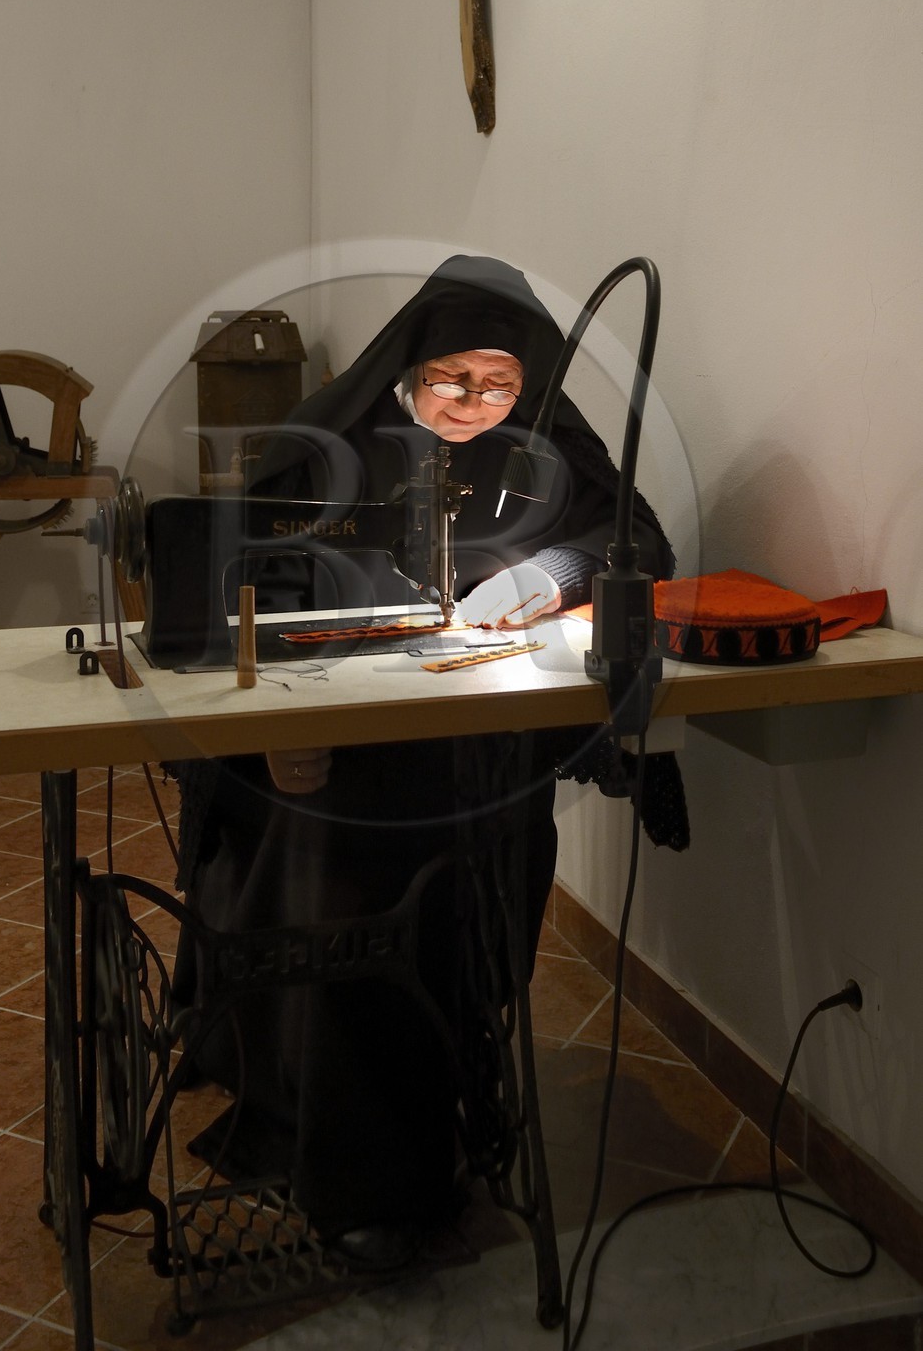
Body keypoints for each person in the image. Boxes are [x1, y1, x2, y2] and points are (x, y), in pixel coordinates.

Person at [167, 254, 673, 1268]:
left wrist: (546, 573)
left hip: (473, 742)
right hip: (332, 746)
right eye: (454, 380)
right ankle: (350, 1159)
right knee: (346, 881)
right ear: (408, 366)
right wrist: (277, 716)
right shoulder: (325, 445)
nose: (474, 404)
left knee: (478, 858)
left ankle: (447, 1076)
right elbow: (239, 582)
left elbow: (637, 541)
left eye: (501, 386)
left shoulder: (539, 443)